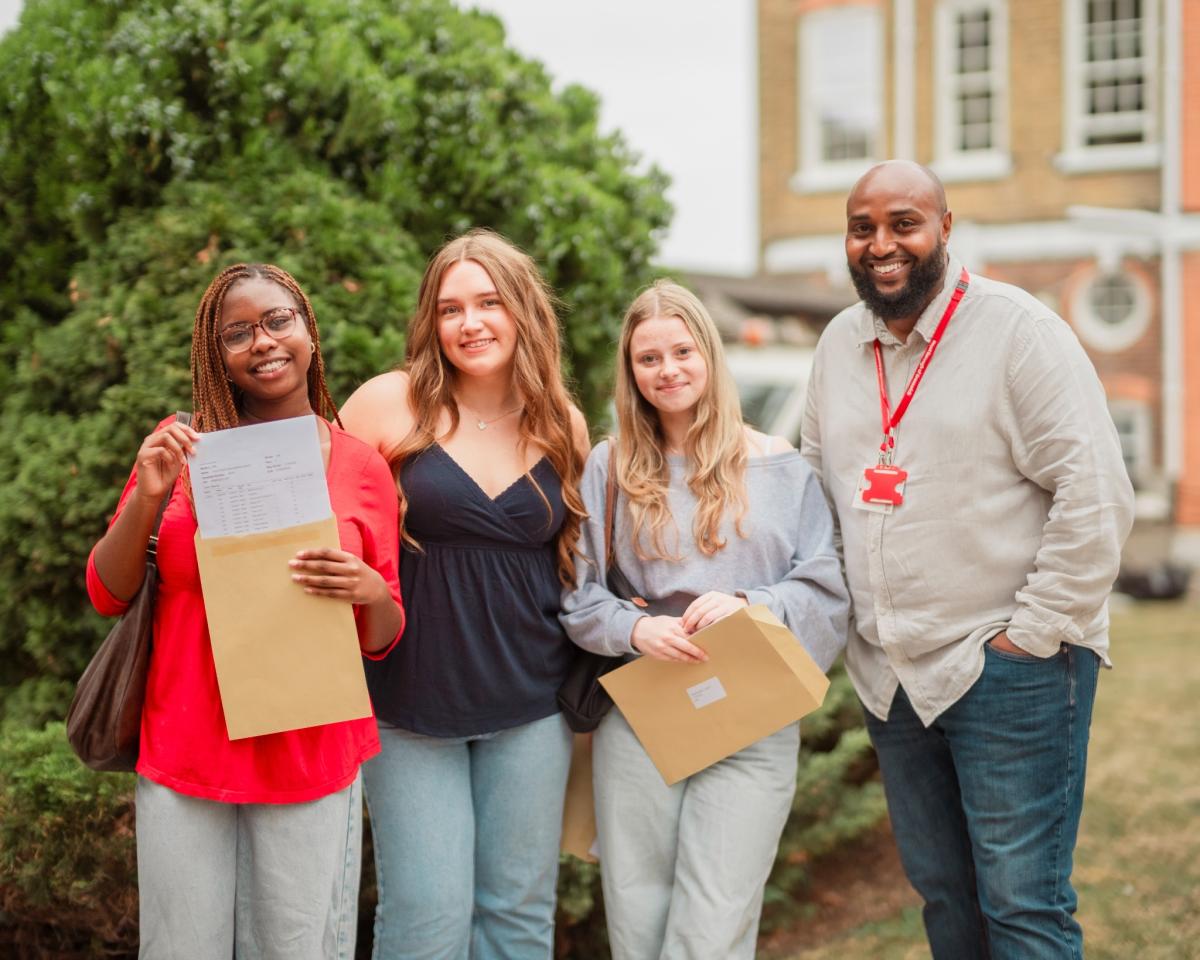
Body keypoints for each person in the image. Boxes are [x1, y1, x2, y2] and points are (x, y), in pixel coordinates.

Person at [800, 160, 1135, 960]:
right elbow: (814, 492)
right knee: (948, 902)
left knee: (1023, 908)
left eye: (903, 223)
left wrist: (1033, 634)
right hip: (892, 680)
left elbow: (1094, 492)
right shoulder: (840, 344)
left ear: (946, 229)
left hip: (1010, 670)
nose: (882, 245)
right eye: (862, 227)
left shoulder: (1020, 333)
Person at [86, 263, 406, 960]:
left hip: (308, 750)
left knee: (294, 949)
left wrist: (370, 591)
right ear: (216, 356)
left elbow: (383, 638)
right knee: (180, 949)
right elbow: (107, 591)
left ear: (309, 333)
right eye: (238, 333)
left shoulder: (360, 467)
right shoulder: (182, 448)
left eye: (277, 321)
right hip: (187, 747)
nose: (262, 342)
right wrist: (147, 493)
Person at [559, 280, 849, 960]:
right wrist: (634, 630)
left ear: (710, 356)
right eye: (648, 359)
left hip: (753, 717)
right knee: (638, 911)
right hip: (644, 714)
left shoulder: (779, 467)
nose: (668, 371)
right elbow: (578, 595)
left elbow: (827, 589)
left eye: (682, 352)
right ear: (631, 372)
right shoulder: (610, 468)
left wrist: (753, 605)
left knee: (714, 920)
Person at [339, 229, 590, 960]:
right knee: (425, 921)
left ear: (523, 313)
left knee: (516, 919)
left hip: (531, 707)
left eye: (488, 303)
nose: (470, 323)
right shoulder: (388, 403)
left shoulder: (562, 424)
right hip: (408, 703)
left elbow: (577, 561)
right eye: (450, 309)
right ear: (431, 321)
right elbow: (318, 518)